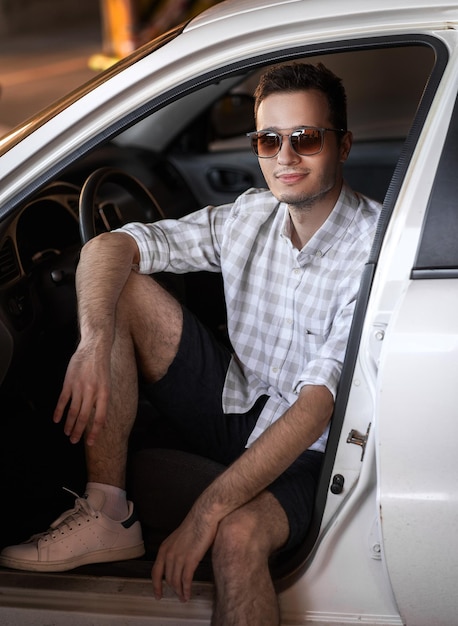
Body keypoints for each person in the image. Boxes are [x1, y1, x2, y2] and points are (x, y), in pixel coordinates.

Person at [0, 62, 381, 625]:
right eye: (268, 140)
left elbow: (314, 410)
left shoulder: (372, 249)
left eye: (305, 138)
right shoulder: (250, 215)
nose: (285, 157)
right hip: (237, 407)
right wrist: (94, 341)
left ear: (342, 144)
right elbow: (111, 246)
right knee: (121, 290)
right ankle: (108, 514)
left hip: (311, 452)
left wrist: (207, 513)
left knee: (237, 536)